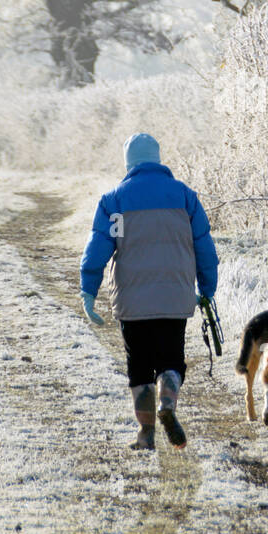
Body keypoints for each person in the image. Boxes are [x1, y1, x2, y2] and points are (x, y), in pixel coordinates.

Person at [80, 132, 218, 451]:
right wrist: (206, 288)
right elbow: (205, 249)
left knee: (139, 366)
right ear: (158, 158)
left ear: (128, 162)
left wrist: (88, 290)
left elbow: (97, 250)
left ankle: (145, 434)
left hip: (132, 301)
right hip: (175, 299)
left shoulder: (114, 201)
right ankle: (167, 403)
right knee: (172, 360)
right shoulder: (185, 197)